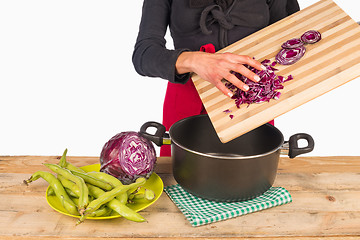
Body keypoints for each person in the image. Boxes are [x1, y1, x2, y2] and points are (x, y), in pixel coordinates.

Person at [132, 0, 300, 156]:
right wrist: (193, 60)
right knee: (178, 179)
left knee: (252, 180)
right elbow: (143, 55)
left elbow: (291, 41)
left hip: (253, 102)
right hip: (187, 102)